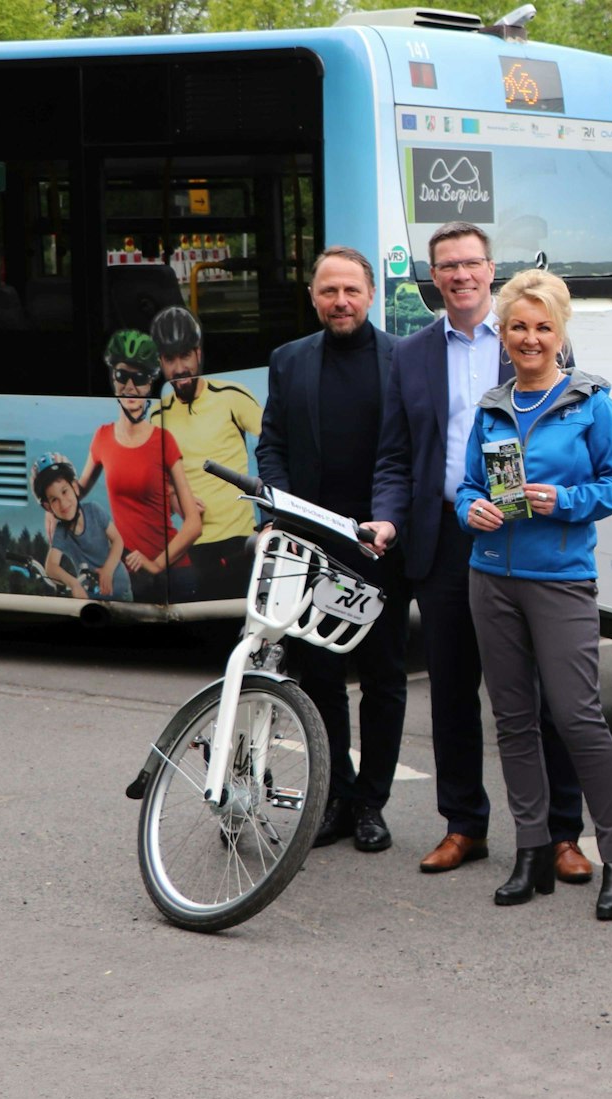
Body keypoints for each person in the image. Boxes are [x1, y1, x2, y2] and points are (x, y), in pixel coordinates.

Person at [369, 221, 596, 882]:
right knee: (452, 691)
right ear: (433, 277)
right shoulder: (409, 355)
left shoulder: (531, 337)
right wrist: (387, 518)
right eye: (448, 266)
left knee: (543, 691)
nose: (461, 276)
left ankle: (561, 833)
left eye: (471, 263)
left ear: (491, 269)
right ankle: (463, 823)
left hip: (523, 537)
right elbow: (393, 457)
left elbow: (572, 434)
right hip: (444, 540)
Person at [455, 268, 612, 915]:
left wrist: (564, 499)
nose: (530, 338)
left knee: (578, 717)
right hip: (491, 578)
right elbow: (468, 487)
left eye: (542, 327)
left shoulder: (590, 402)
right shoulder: (491, 406)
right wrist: (470, 510)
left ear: (560, 334)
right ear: (502, 334)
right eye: (518, 327)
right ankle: (530, 849)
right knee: (512, 721)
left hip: (561, 581)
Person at [255, 246, 410, 853]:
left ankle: (372, 802)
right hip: (308, 549)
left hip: (382, 548)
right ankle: (337, 798)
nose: (340, 301)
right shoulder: (288, 362)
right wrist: (276, 513)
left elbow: (414, 454)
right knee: (319, 678)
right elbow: (272, 447)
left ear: (370, 295)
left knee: (384, 679)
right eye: (328, 291)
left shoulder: (403, 361)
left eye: (350, 290)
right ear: (313, 297)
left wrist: (390, 521)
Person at [78, 330, 204, 605]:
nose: (131, 387)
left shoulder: (163, 440)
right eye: (123, 376)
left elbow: (193, 524)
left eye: (141, 378)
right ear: (112, 378)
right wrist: (50, 508)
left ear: (151, 384)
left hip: (173, 574)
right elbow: (75, 493)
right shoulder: (102, 437)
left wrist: (156, 564)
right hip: (132, 575)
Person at [150, 305, 262, 602]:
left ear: (199, 354)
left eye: (185, 355)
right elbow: (154, 480)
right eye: (170, 359)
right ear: (160, 362)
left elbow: (277, 444)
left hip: (240, 540)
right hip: (190, 546)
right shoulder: (156, 415)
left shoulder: (231, 396)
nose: (179, 368)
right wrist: (174, 497)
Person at [33, 454, 132, 602]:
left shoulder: (94, 511)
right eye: (54, 499)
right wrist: (73, 583)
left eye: (65, 491)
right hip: (92, 597)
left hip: (121, 590)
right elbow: (51, 566)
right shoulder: (61, 532)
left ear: (75, 488)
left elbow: (117, 540)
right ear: (49, 507)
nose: (63, 503)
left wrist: (108, 569)